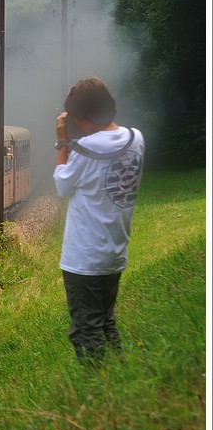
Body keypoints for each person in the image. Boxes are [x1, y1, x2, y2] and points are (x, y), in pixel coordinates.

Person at [53, 77, 144, 365]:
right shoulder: (136, 138)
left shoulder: (83, 149)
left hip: (84, 257)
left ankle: (99, 389)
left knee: (85, 329)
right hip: (115, 251)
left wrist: (62, 143)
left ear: (81, 116)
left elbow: (62, 187)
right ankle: (121, 373)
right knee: (106, 320)